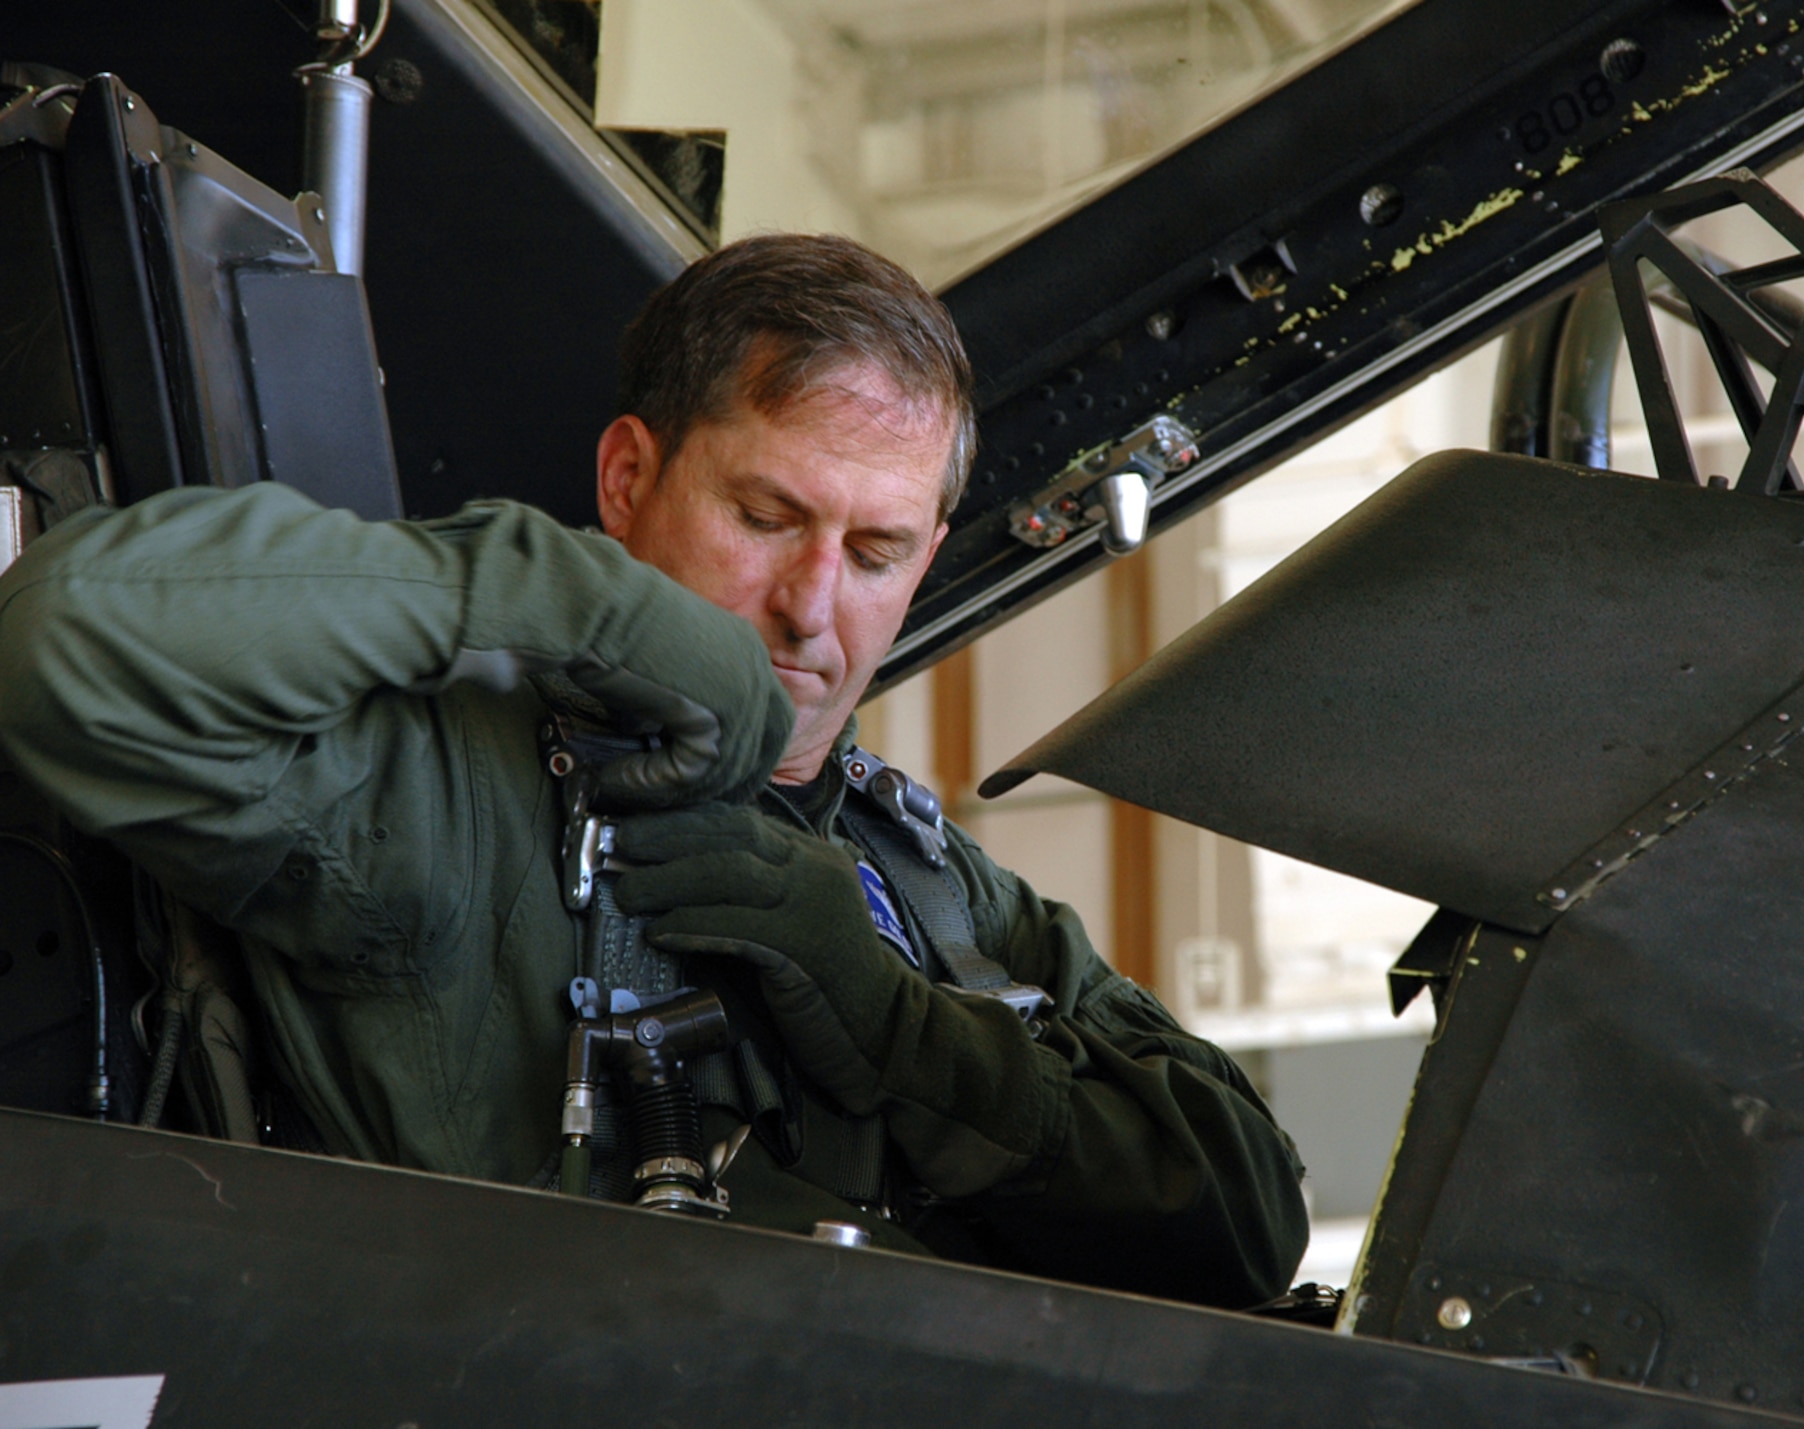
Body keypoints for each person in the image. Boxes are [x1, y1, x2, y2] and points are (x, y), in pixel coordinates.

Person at [0, 234, 1308, 1307]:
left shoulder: (931, 879)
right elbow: (70, 641)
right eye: (765, 517)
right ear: (628, 478)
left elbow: (1250, 1214)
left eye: (875, 551)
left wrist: (897, 1022)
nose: (809, 606)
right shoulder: (453, 799)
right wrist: (561, 590)